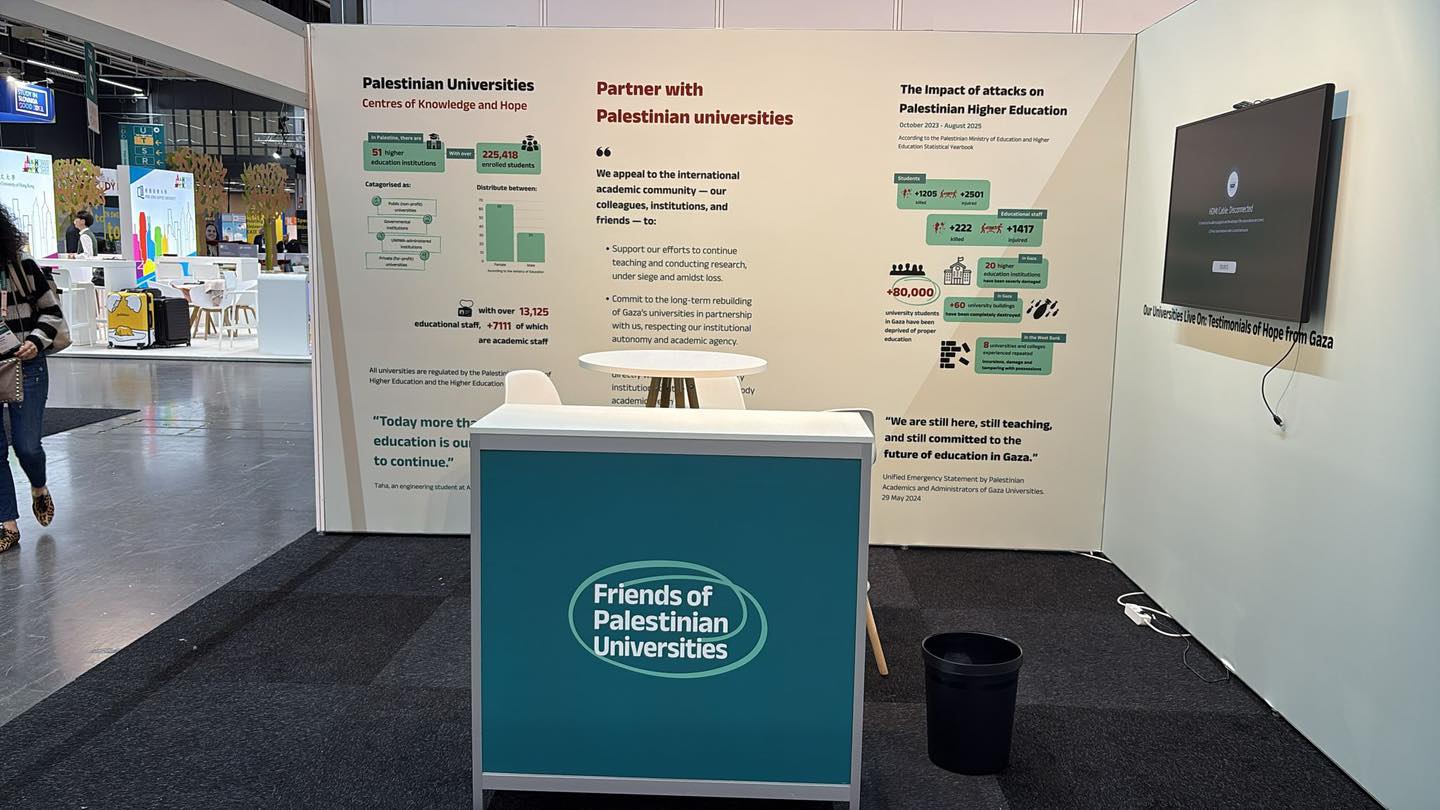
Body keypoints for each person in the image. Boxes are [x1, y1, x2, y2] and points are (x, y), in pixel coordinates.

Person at [0, 205, 64, 553]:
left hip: (27, 364)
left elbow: (52, 312)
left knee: (26, 446)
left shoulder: (21, 266)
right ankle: (7, 524)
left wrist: (35, 342)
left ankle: (38, 486)